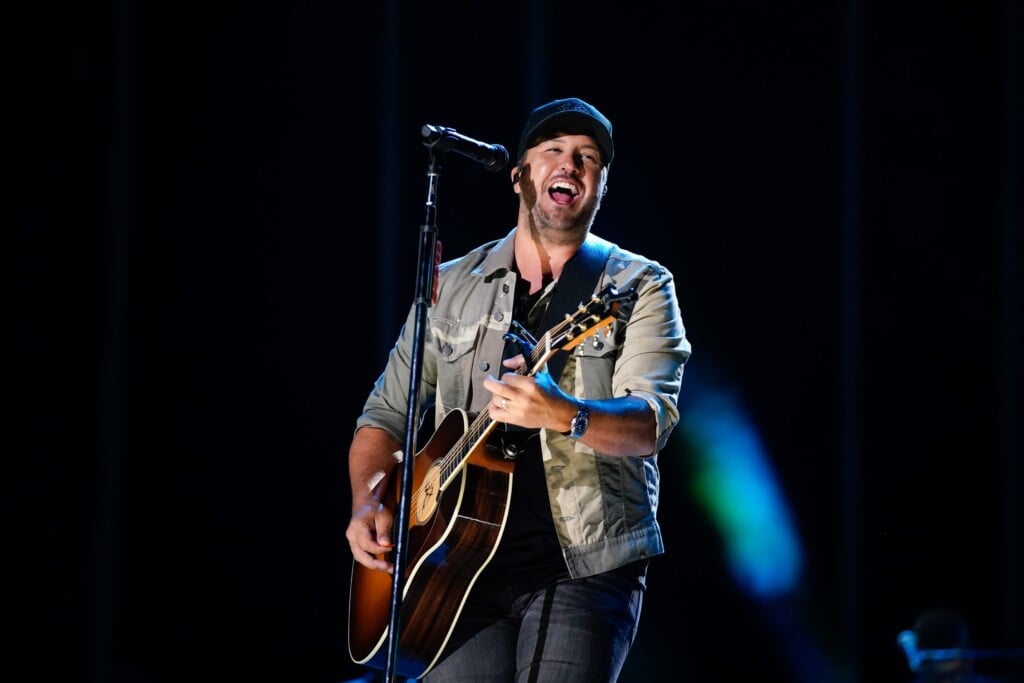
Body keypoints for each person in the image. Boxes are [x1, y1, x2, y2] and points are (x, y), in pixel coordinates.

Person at [344, 96, 691, 682]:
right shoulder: (451, 285)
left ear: (600, 188)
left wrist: (566, 413)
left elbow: (650, 422)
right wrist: (367, 503)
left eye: (587, 158)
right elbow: (383, 414)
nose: (569, 165)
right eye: (552, 150)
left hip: (581, 563)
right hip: (449, 566)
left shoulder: (639, 285)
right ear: (518, 176)